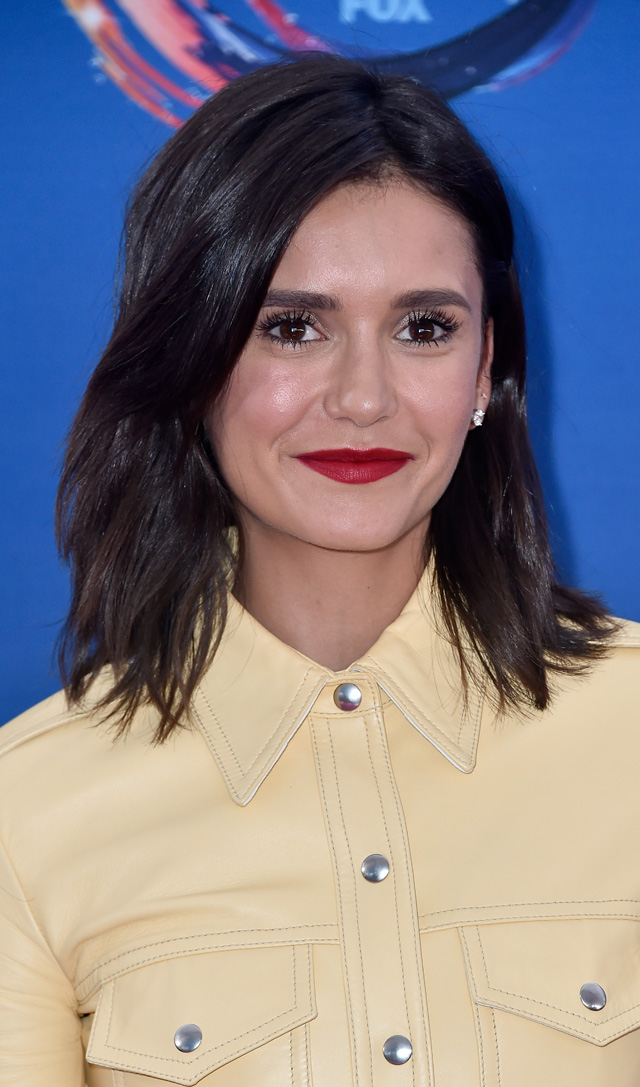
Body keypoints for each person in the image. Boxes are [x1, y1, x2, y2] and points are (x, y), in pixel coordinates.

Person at [1, 53, 638, 1087]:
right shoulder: (25, 818)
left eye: (423, 328)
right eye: (291, 328)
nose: (363, 397)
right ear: (194, 362)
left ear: (485, 368)